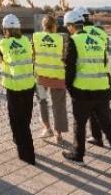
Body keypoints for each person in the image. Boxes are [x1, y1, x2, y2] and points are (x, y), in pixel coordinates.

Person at [62, 9, 111, 180]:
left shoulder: (73, 41)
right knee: (109, 130)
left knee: (79, 125)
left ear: (71, 26)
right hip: (102, 91)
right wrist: (107, 87)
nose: (68, 30)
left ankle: (78, 155)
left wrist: (70, 90)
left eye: (67, 27)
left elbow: (69, 69)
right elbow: (105, 66)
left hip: (82, 91)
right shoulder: (98, 39)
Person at [76, 6, 111, 145]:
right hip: (103, 73)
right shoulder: (100, 32)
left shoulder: (80, 34)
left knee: (97, 106)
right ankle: (98, 136)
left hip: (88, 75)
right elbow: (106, 50)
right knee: (98, 105)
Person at [0, 14, 36, 165]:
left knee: (18, 121)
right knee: (25, 117)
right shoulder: (26, 41)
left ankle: (27, 154)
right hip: (29, 85)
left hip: (14, 87)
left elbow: (2, 60)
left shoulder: (3, 44)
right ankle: (17, 138)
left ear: (5, 29)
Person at [32, 14, 68, 144]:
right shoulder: (61, 39)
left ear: (43, 26)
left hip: (41, 78)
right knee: (58, 105)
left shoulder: (36, 37)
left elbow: (32, 55)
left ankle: (47, 129)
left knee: (42, 101)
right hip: (58, 77)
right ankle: (58, 134)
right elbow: (65, 56)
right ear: (54, 26)